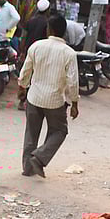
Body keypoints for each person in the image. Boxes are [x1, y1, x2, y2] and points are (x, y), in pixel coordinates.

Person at [18, 14, 79, 179]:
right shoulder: (69, 53)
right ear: (64, 31)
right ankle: (39, 158)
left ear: (48, 29)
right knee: (59, 130)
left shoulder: (37, 46)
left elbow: (25, 71)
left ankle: (27, 168)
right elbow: (72, 82)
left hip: (34, 97)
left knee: (31, 132)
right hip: (55, 100)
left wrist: (22, 88)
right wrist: (74, 103)